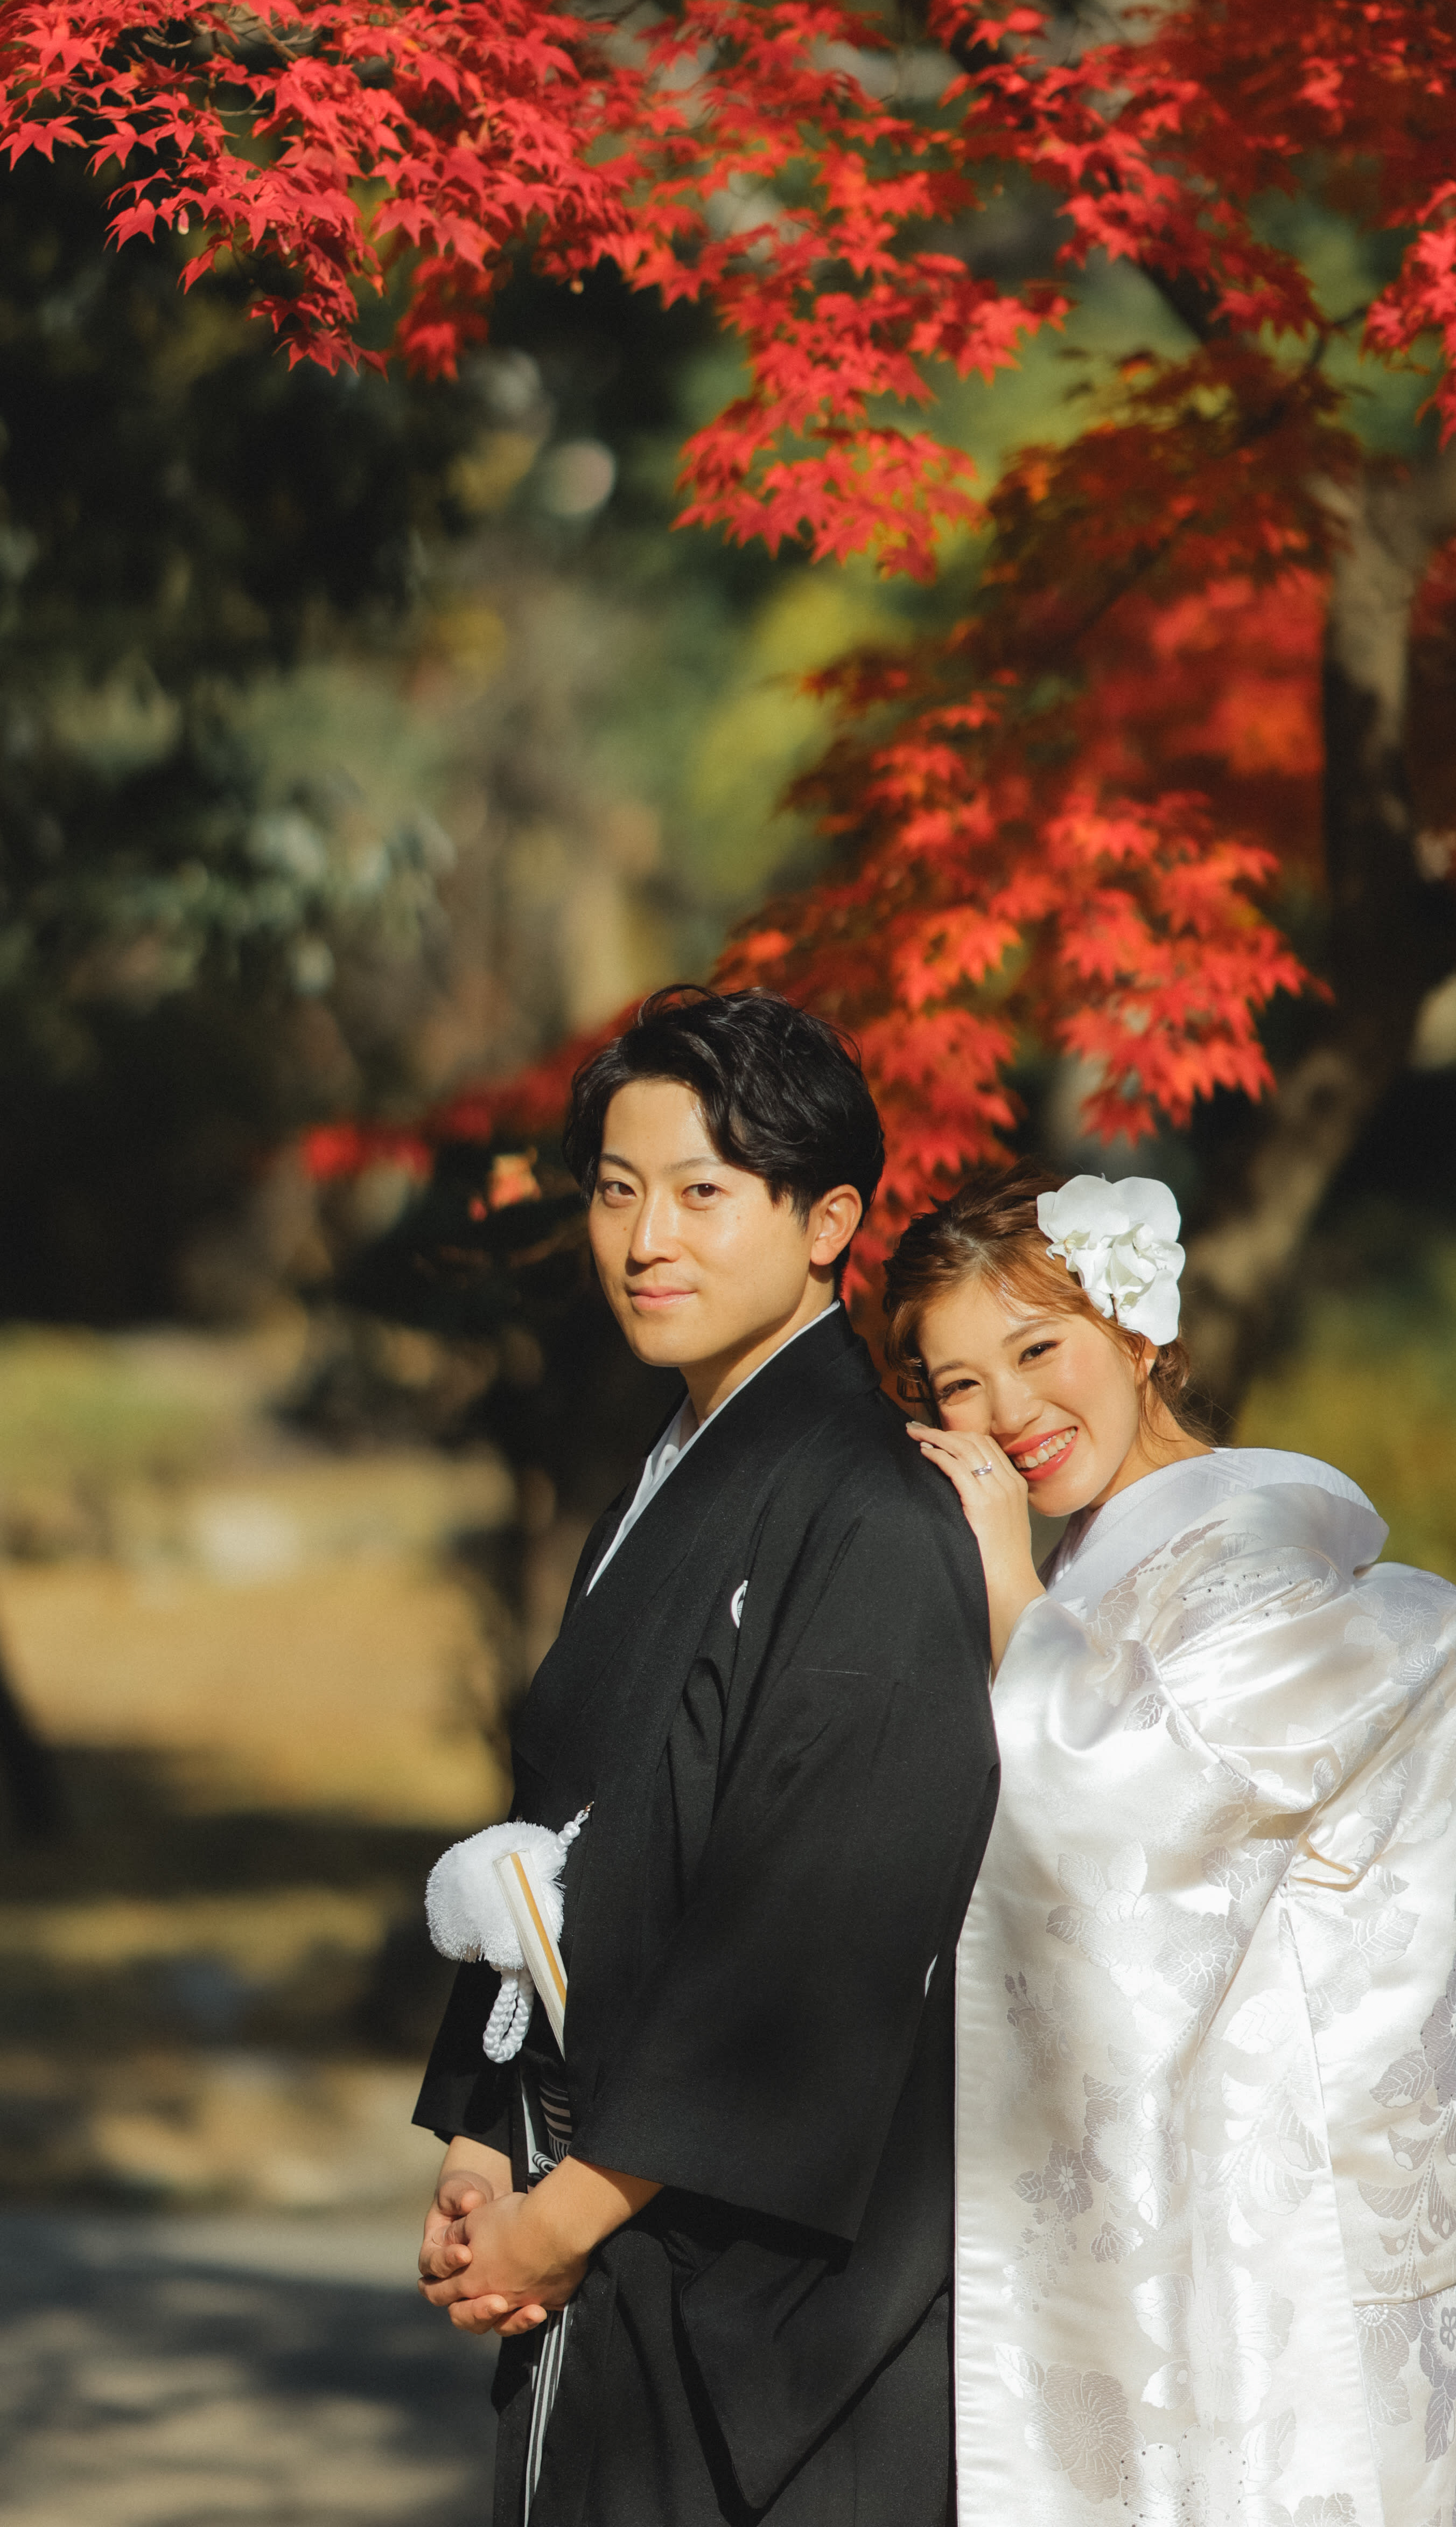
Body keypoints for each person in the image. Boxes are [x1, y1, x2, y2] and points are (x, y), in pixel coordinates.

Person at [414, 987, 1000, 2527]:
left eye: (701, 1192)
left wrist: (566, 2216)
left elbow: (815, 1932)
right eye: (617, 1191)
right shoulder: (667, 1475)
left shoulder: (873, 1512)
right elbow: (558, 1826)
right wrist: (483, 2143)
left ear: (828, 1224)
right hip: (591, 2206)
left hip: (750, 2280)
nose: (645, 1239)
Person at [889, 1163, 1456, 2527]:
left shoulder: (1252, 1559)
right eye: (960, 1385)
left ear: (1136, 1331)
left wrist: (1005, 1581)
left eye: (1037, 1349)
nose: (1010, 1415)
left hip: (1265, 2220)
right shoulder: (1101, 1567)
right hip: (1180, 2193)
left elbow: (1119, 1811)